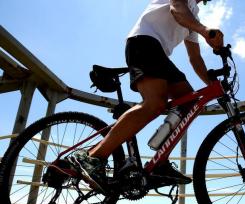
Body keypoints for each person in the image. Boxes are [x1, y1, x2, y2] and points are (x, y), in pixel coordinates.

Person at [68, 0, 224, 193]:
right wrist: (204, 30)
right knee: (155, 103)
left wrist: (214, 85)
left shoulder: (193, 16)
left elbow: (195, 58)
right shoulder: (188, 13)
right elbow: (177, 10)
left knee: (190, 102)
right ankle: (93, 157)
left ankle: (160, 163)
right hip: (143, 42)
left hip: (159, 54)